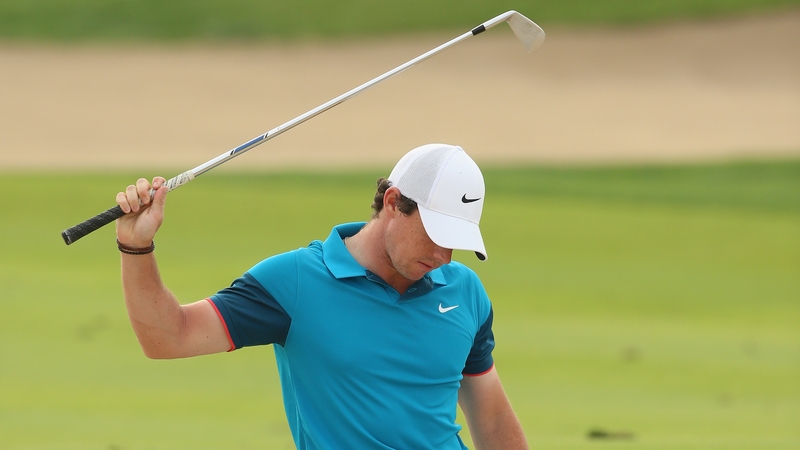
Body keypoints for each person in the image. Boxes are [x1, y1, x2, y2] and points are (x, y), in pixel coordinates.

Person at [115, 143, 528, 449]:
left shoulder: (465, 291)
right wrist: (136, 248)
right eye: (436, 235)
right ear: (392, 203)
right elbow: (169, 337)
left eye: (456, 242)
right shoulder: (293, 282)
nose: (443, 256)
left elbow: (490, 420)